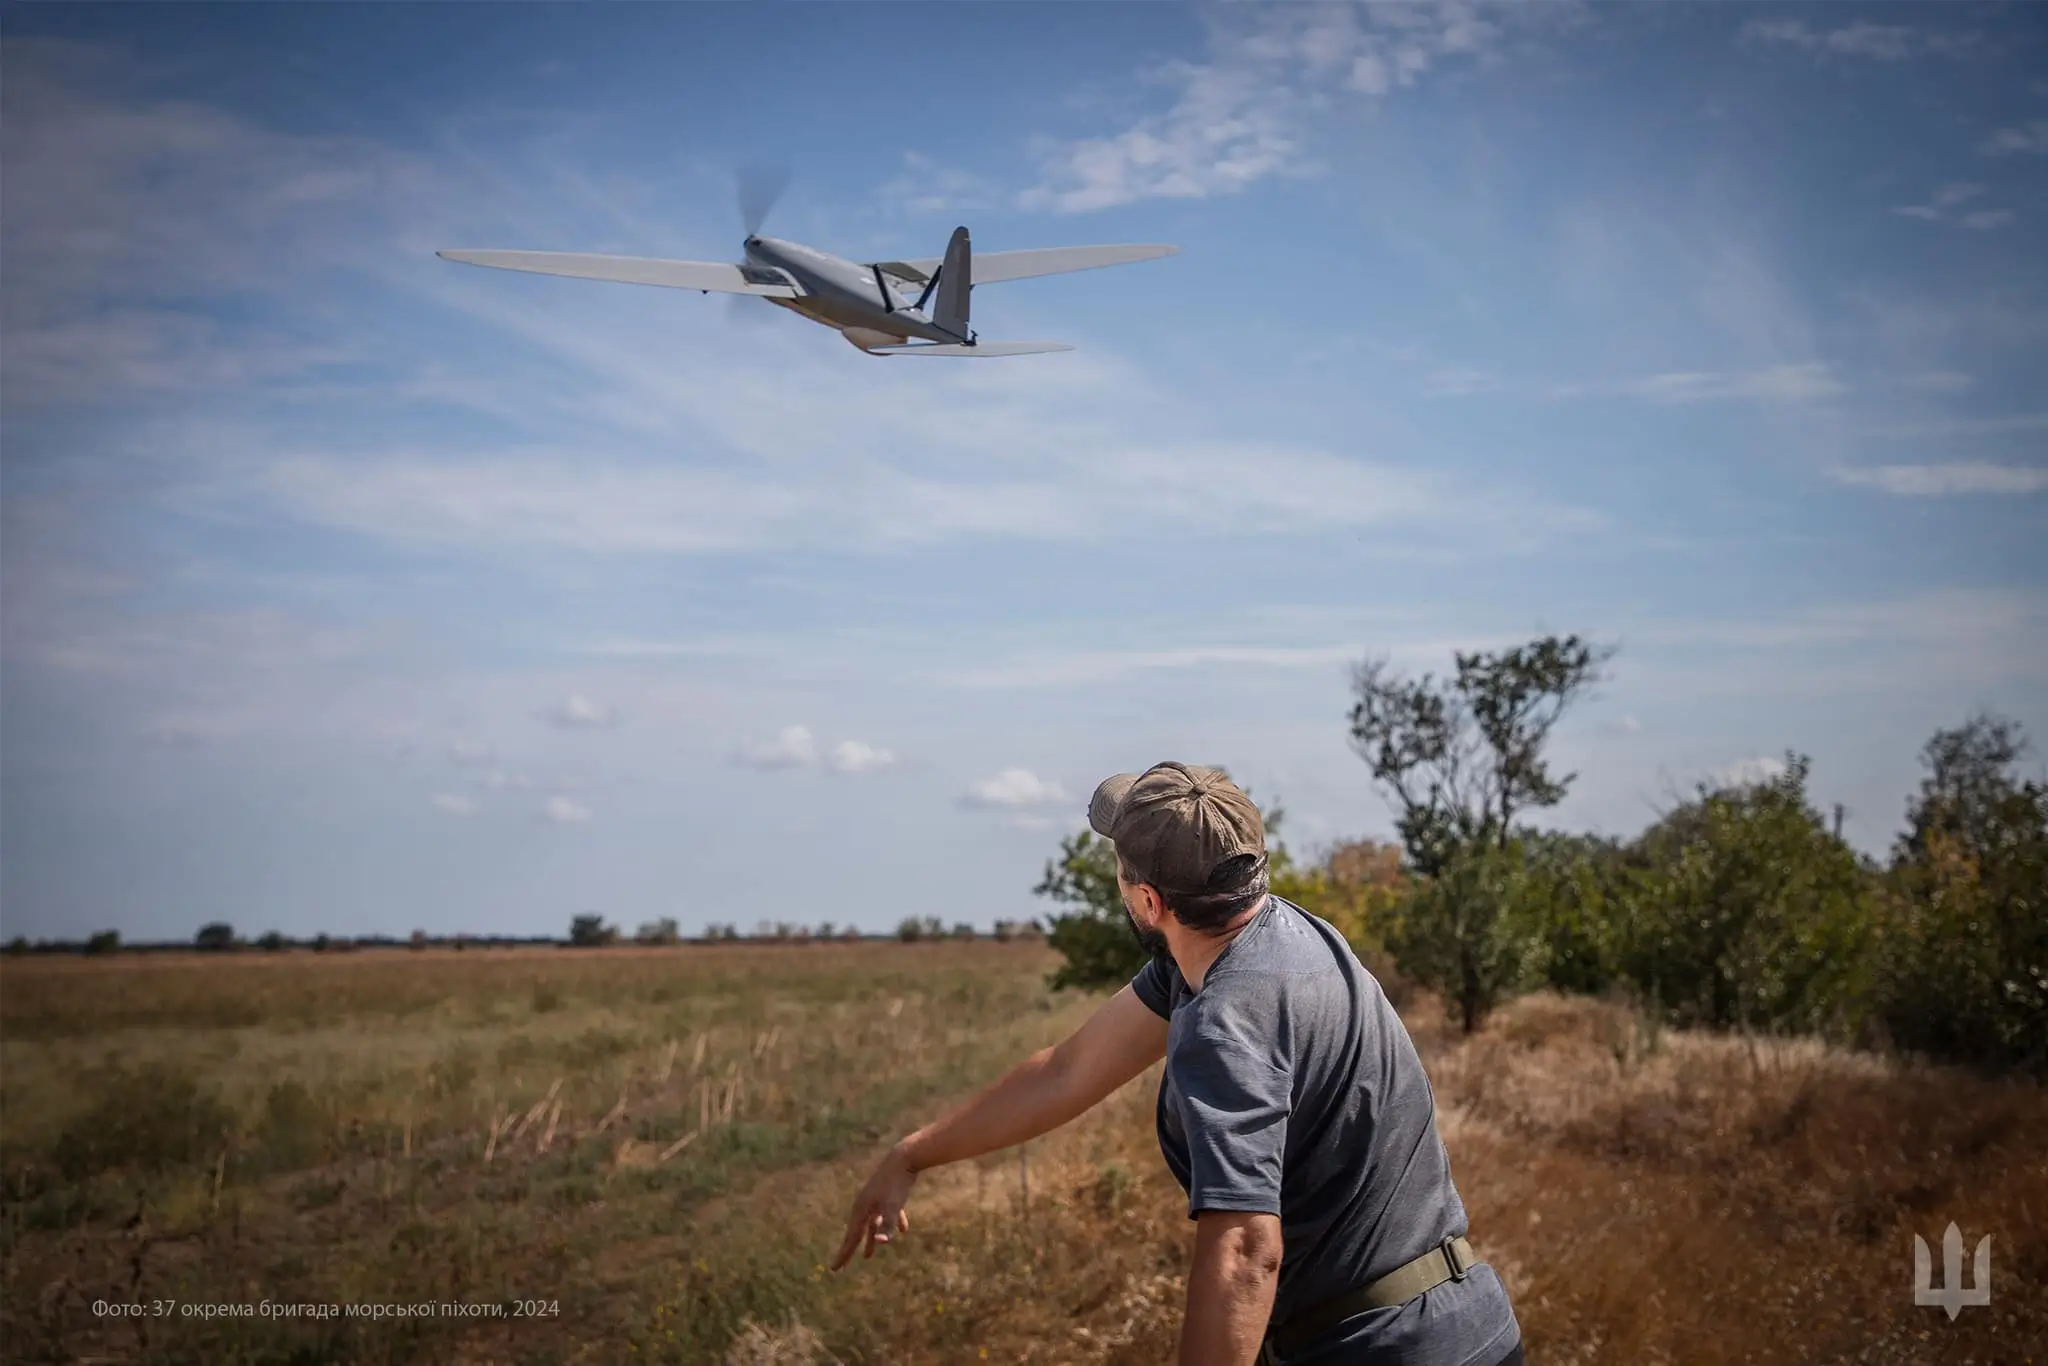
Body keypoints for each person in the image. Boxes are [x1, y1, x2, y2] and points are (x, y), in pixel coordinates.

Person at [831, 761, 1523, 1366]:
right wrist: (914, 1154)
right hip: (1463, 1328)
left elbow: (1248, 1250)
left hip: (1378, 1350)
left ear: (1149, 902)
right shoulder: (1268, 938)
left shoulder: (1224, 1024)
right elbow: (1068, 1071)